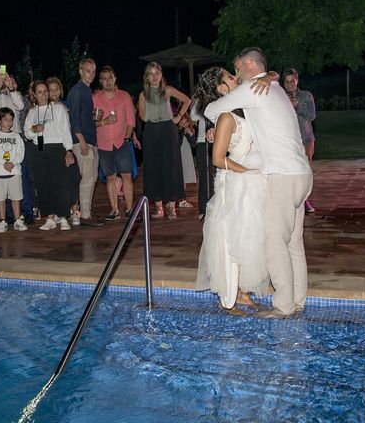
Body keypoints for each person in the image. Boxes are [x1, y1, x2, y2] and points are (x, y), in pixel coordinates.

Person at [204, 47, 313, 317]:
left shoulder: (253, 88)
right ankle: (298, 300)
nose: (236, 73)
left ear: (249, 63)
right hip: (303, 174)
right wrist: (270, 75)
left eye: (237, 67)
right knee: (293, 243)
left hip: (283, 176)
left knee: (275, 243)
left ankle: (284, 306)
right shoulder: (273, 87)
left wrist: (216, 122)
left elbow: (211, 108)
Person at [194, 68, 270, 312]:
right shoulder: (226, 117)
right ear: (220, 88)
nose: (234, 77)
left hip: (249, 182)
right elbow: (217, 159)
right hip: (235, 183)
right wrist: (246, 172)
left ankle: (242, 292)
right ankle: (228, 296)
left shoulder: (240, 112)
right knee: (230, 239)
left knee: (248, 238)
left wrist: (270, 76)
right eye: (228, 76)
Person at [137, 62, 191, 220]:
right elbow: (143, 117)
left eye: (157, 73)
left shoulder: (168, 90)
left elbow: (187, 100)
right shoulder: (143, 95)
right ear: (146, 77)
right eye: (151, 74)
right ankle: (159, 207)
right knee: (153, 168)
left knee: (171, 166)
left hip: (168, 130)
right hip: (152, 131)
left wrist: (178, 117)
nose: (154, 77)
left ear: (161, 75)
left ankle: (171, 207)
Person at [24, 81, 79, 231]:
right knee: (43, 185)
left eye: (45, 91)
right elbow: (27, 133)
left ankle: (63, 217)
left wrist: (68, 150)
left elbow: (66, 131)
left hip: (57, 149)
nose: (43, 94)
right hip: (38, 150)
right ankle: (49, 218)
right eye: (40, 92)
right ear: (34, 94)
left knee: (60, 185)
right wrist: (34, 129)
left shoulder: (59, 108)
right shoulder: (32, 112)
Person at [93, 65, 136, 220]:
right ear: (100, 81)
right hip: (104, 144)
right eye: (104, 79)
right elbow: (94, 123)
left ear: (115, 79)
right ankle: (114, 210)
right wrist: (105, 121)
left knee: (127, 175)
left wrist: (127, 138)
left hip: (121, 142)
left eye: (110, 78)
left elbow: (131, 120)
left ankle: (130, 209)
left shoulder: (124, 96)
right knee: (110, 177)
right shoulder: (96, 98)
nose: (108, 81)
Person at [67, 58, 105, 226]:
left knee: (92, 178)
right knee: (87, 179)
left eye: (93, 71)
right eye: (88, 71)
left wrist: (92, 117)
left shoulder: (87, 91)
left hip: (90, 140)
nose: (91, 74)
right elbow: (74, 119)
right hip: (82, 141)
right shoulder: (77, 91)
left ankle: (86, 212)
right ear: (81, 71)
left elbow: (82, 116)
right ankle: (85, 215)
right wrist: (81, 141)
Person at [0, 108, 27, 232]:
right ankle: (3, 221)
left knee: (16, 198)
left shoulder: (16, 136)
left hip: (14, 171)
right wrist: (4, 163)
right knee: (0, 199)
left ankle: (17, 221)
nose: (9, 122)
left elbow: (21, 152)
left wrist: (13, 163)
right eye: (5, 119)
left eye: (11, 120)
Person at [283, 68, 316, 214]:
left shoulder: (306, 96)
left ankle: (305, 201)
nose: (290, 84)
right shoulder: (280, 97)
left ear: (297, 80)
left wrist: (298, 107)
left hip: (306, 138)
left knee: (306, 171)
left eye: (292, 80)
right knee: (289, 171)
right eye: (287, 81)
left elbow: (311, 116)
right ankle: (291, 200)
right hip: (287, 140)